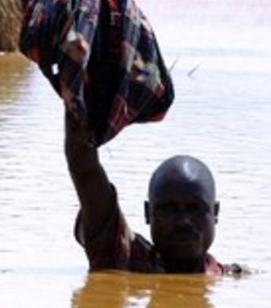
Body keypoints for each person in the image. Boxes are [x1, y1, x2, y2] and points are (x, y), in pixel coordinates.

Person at [64, 111, 228, 275]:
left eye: (194, 208)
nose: (182, 222)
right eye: (169, 209)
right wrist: (78, 104)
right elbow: (85, 168)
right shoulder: (124, 259)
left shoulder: (235, 278)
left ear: (215, 213)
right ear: (148, 213)